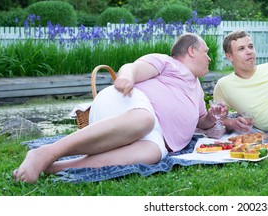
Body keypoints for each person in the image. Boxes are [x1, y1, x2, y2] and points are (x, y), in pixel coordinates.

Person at [13, 33, 223, 183]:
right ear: (192, 51)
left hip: (153, 135)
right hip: (127, 103)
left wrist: (211, 117)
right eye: (206, 52)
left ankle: (54, 166)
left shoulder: (196, 87)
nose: (209, 58)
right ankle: (46, 152)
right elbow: (132, 67)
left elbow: (199, 122)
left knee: (155, 153)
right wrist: (126, 78)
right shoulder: (167, 62)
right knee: (144, 119)